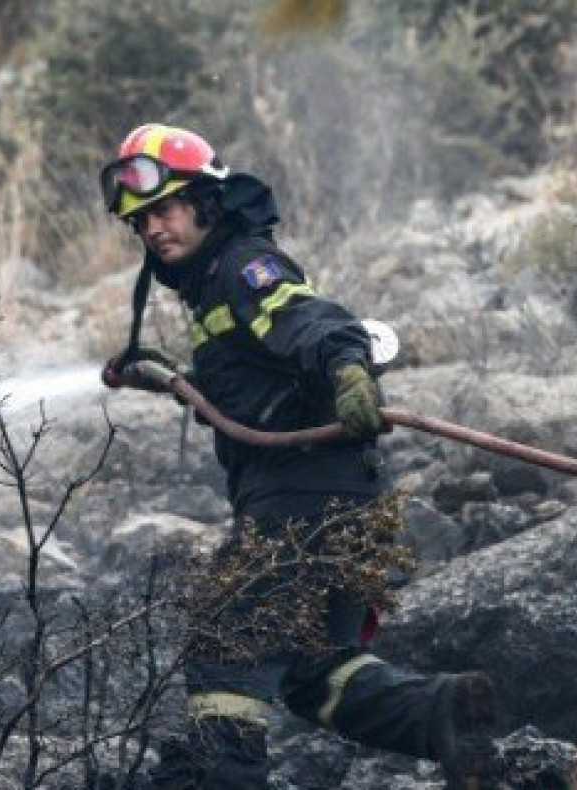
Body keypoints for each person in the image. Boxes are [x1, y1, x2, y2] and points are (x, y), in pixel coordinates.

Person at [98, 123, 499, 788]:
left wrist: (348, 371)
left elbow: (311, 320)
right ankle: (443, 715)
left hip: (304, 500)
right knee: (315, 670)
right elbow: (254, 387)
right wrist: (174, 377)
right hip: (345, 500)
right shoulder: (212, 287)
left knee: (225, 636)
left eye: (164, 210)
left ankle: (224, 778)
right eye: (140, 221)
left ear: (205, 203)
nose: (153, 230)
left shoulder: (245, 267)